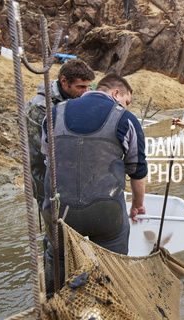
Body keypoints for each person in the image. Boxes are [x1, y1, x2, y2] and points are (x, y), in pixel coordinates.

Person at [41, 73, 148, 294]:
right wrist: (137, 205)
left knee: (58, 261)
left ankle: (55, 305)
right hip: (106, 212)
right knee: (111, 267)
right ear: (116, 93)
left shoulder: (52, 114)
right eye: (126, 101)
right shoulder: (126, 120)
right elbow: (137, 170)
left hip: (59, 211)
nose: (125, 106)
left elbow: (46, 159)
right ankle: (107, 301)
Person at [25, 59, 95, 212]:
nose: (85, 92)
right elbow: (49, 150)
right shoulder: (40, 108)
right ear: (64, 81)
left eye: (88, 87)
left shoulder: (73, 99)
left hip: (71, 180)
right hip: (47, 182)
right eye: (80, 87)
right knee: (55, 230)